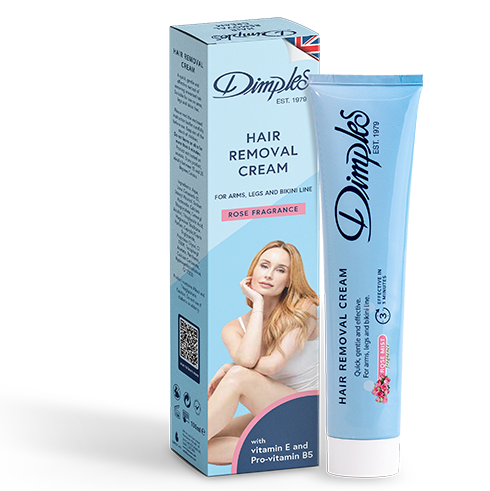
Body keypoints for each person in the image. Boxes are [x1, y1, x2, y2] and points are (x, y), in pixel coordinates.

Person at [207, 240, 319, 465]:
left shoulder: (304, 309)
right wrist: (258, 304)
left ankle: (297, 443)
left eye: (280, 270)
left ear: (289, 280)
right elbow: (247, 359)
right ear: (254, 269)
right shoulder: (233, 328)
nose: (269, 274)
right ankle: (279, 449)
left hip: (310, 412)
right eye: (264, 265)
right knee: (201, 444)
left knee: (238, 375)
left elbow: (271, 365)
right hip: (277, 409)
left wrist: (230, 367)